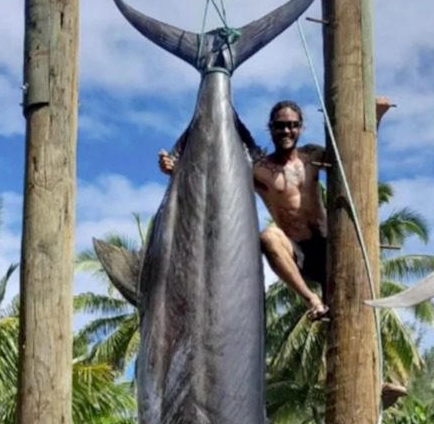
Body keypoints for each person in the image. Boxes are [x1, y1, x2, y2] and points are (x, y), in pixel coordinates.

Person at [159, 97, 393, 322]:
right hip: (296, 253)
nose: (286, 131)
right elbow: (214, 182)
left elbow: (351, 158)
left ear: (301, 128)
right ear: (270, 128)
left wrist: (376, 119)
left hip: (331, 245)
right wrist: (176, 169)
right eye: (280, 126)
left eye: (292, 126)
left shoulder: (312, 155)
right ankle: (312, 301)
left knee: (349, 314)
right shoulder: (258, 170)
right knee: (269, 235)